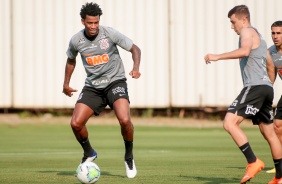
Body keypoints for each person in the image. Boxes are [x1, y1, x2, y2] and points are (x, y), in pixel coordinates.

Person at [204, 5, 282, 184]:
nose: (232, 27)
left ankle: (253, 161)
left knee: (229, 122)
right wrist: (267, 87)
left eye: (233, 22)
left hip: (255, 87)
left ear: (244, 19)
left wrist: (217, 56)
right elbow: (270, 66)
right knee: (269, 133)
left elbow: (245, 51)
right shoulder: (261, 40)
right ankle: (279, 177)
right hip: (265, 89)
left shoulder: (247, 31)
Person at [62, 2, 141, 179]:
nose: (93, 26)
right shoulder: (76, 40)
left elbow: (135, 49)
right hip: (93, 86)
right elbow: (70, 60)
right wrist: (65, 84)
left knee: (125, 119)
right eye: (90, 23)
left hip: (115, 82)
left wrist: (136, 67)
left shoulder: (109, 33)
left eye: (96, 22)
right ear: (83, 22)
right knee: (75, 123)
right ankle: (89, 152)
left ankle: (129, 157)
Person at [266, 20, 282, 175]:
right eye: (273, 33)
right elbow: (271, 77)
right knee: (277, 126)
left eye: (279, 33)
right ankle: (280, 165)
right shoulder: (271, 52)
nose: (275, 36)